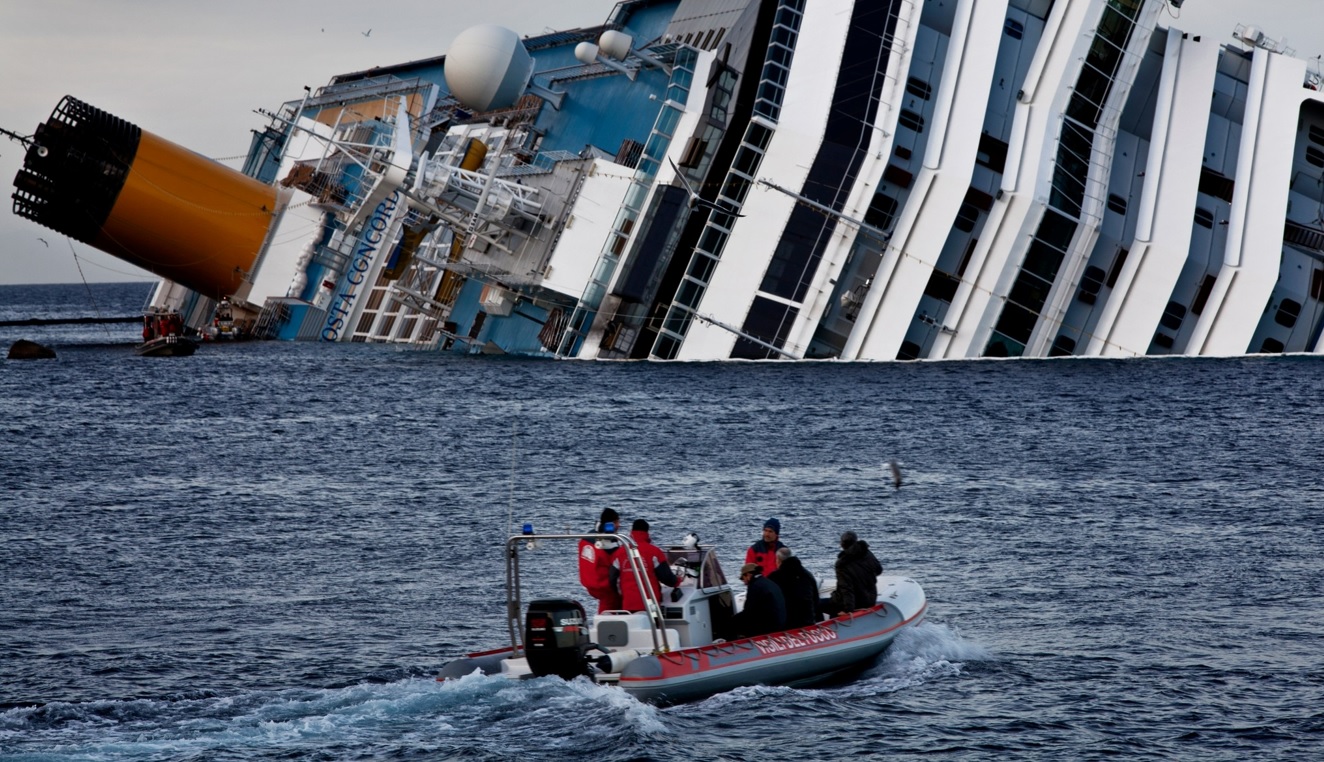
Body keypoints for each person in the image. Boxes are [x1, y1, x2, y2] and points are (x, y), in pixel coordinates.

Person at [611, 519, 679, 612]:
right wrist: (678, 580)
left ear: (631, 532)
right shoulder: (655, 552)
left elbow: (612, 579)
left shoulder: (619, 553)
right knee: (655, 620)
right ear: (647, 533)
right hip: (651, 607)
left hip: (627, 605)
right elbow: (667, 578)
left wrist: (620, 595)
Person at [820, 531, 883, 618]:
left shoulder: (842, 564)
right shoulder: (867, 553)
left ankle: (816, 624)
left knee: (815, 604)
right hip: (870, 600)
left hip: (852, 603)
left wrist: (848, 610)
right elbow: (879, 570)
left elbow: (846, 588)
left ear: (842, 544)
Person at [578, 508, 622, 613]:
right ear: (610, 523)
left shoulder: (586, 539)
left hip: (589, 583)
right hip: (605, 586)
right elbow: (617, 562)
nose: (619, 525)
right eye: (616, 522)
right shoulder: (609, 544)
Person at [767, 547, 820, 628]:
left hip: (787, 624)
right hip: (808, 620)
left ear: (778, 560)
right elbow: (815, 599)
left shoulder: (774, 577)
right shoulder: (807, 574)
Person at [731, 562, 786, 638]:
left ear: (748, 575)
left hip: (769, 627)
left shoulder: (755, 586)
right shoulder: (769, 582)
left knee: (732, 623)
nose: (744, 582)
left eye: (742, 578)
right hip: (780, 622)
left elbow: (748, 611)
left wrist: (732, 619)